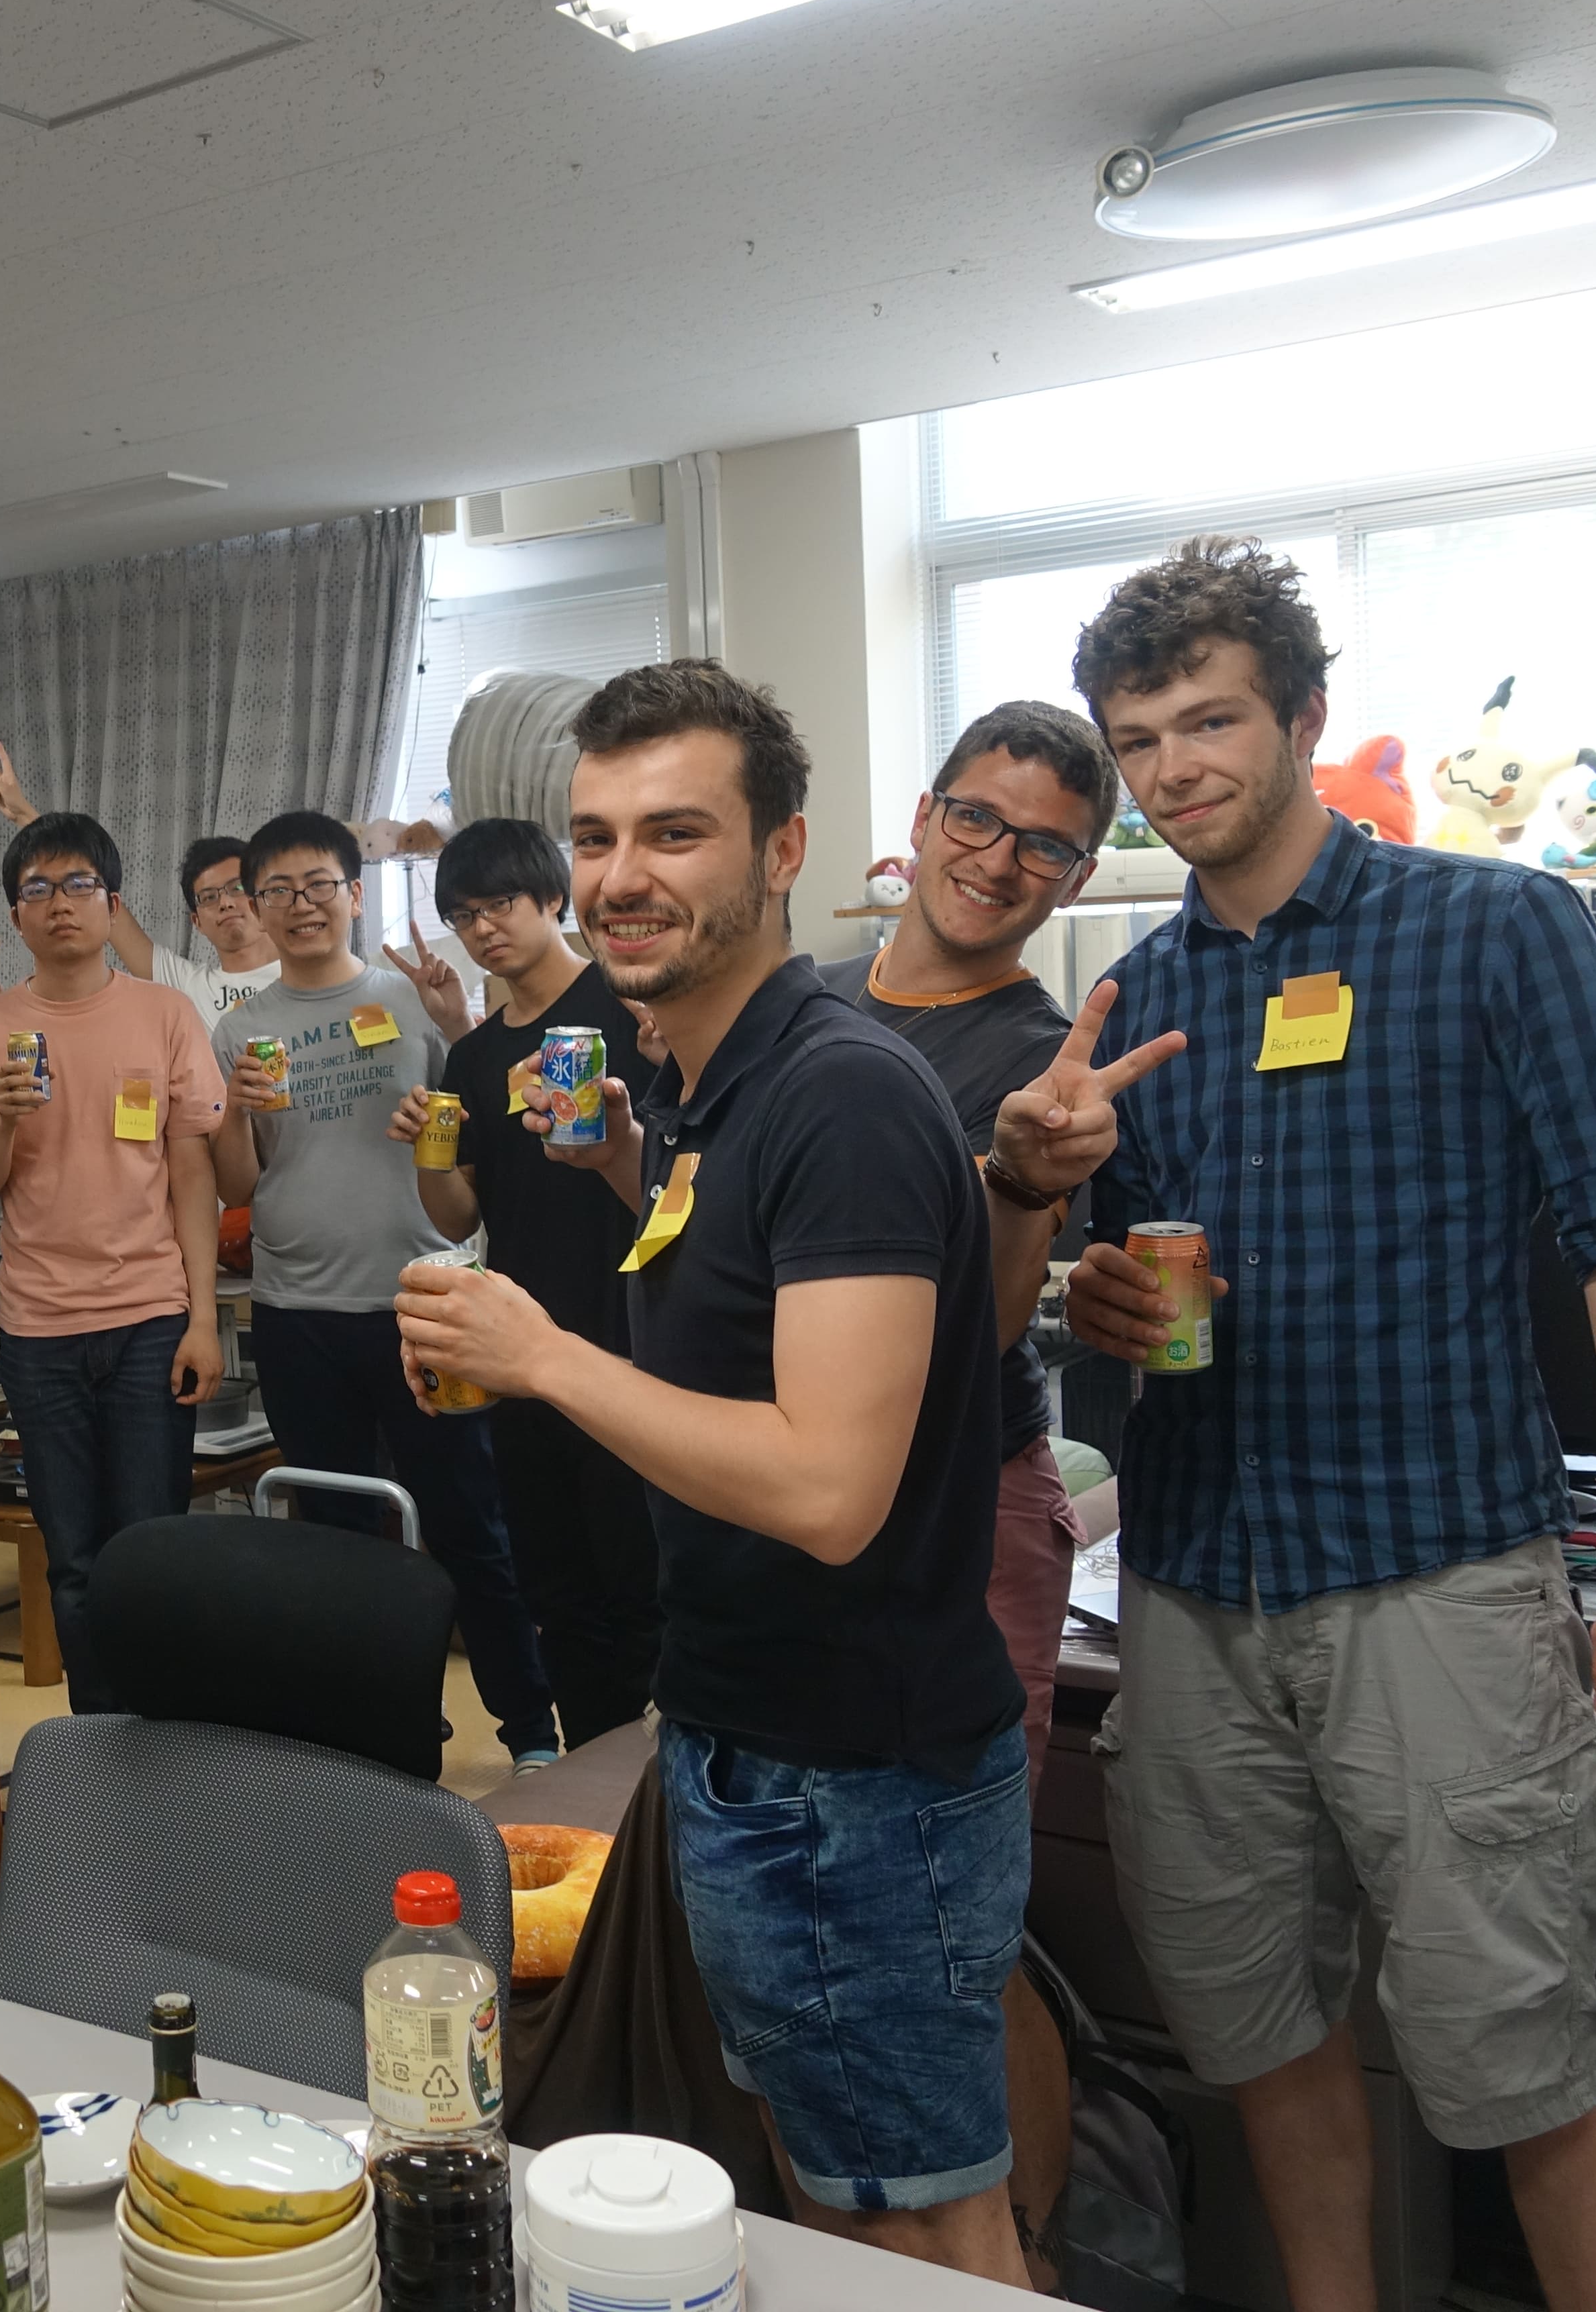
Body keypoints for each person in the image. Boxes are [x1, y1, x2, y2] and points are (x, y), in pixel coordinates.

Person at [1003, 537, 1596, 2312]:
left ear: (1306, 716)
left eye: (1210, 720)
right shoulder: (1141, 997)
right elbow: (1137, 1280)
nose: (1174, 769)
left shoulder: (1494, 929)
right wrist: (1095, 1280)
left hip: (1437, 1579)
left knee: (1525, 2047)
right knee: (1258, 2035)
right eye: (1139, 739)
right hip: (1195, 1594)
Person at [391, 662, 1045, 2285]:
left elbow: (827, 1488)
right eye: (594, 836)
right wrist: (631, 1170)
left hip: (855, 1776)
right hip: (746, 1735)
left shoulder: (837, 1092)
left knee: (917, 2221)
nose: (620, 876)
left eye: (673, 832)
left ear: (779, 849)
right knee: (832, 2193)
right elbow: (746, 1310)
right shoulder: (697, 1084)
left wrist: (543, 1354)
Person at [212, 809, 560, 1768]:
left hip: (423, 1304)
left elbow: (480, 1126)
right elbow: (239, 1185)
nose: (301, 905)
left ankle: (531, 1732)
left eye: (319, 885)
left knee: (468, 1524)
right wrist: (234, 1114)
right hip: (296, 1312)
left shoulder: (411, 999)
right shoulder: (239, 1030)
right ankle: (383, 1732)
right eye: (277, 890)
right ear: (256, 907)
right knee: (338, 1540)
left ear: (354, 894)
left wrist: (455, 1025)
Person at [825, 701, 1124, 1791]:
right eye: (975, 818)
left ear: (1075, 880)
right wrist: (623, 1154)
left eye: (1042, 845)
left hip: (961, 1497)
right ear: (922, 818)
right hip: (792, 1476)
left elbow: (987, 1323)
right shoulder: (805, 999)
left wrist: (1018, 1178)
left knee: (951, 1829)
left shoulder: (1045, 1066)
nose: (996, 861)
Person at [0, 810, 226, 1709]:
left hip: (151, 1319)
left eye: (79, 885)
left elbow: (192, 1172)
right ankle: (101, 1741)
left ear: (113, 903)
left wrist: (204, 1320)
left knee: (152, 1547)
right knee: (75, 1559)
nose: (60, 904)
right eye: (38, 890)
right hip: (38, 1328)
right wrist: (6, 1119)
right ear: (15, 915)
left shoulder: (165, 1013)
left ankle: (167, 1733)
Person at [387, 815, 662, 1750]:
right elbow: (457, 1215)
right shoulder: (471, 1056)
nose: (483, 929)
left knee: (644, 1587)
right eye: (464, 915)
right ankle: (588, 1784)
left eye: (500, 903)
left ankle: (662, 1798)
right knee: (559, 1593)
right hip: (520, 1358)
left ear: (552, 897)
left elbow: (680, 1175)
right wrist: (426, 1146)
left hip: (631, 1340)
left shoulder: (628, 1008)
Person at [0, 742, 279, 1025]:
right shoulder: (186, 986)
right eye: (208, 897)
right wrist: (26, 816)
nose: (225, 903)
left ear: (260, 898)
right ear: (196, 921)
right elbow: (100, 904)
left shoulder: (301, 972)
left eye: (237, 888)